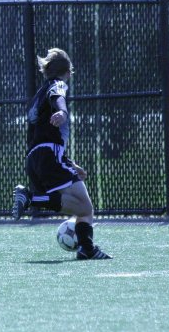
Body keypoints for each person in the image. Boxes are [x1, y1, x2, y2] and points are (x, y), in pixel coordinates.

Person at [12, 48, 111, 260]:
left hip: (38, 157)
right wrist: (62, 111)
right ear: (67, 72)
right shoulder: (58, 85)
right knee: (83, 207)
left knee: (84, 206)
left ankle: (87, 248)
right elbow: (59, 97)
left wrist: (70, 164)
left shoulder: (36, 97)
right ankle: (30, 198)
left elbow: (41, 137)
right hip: (49, 156)